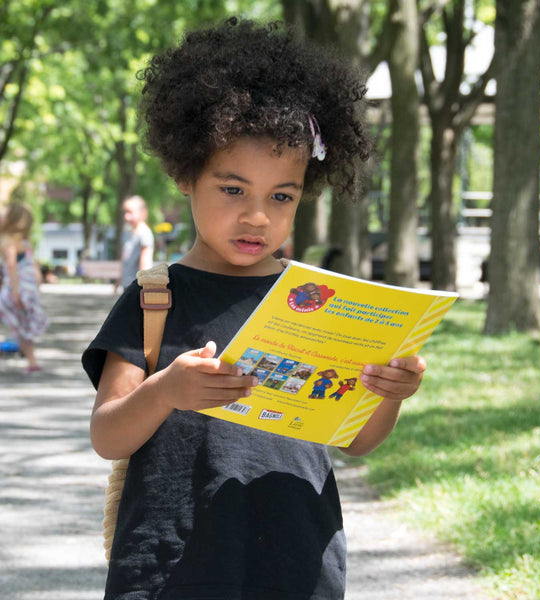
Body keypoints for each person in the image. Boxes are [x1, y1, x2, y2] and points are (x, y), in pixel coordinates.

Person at [82, 18, 427, 600]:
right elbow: (107, 435)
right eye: (233, 189)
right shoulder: (154, 298)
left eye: (281, 196)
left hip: (297, 557)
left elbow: (357, 441)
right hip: (172, 566)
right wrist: (165, 392)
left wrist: (389, 392)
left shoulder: (323, 303)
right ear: (185, 173)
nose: (258, 217)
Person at [0, 203, 48, 373]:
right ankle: (32, 362)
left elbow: (11, 268)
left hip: (16, 289)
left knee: (20, 327)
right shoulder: (24, 242)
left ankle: (31, 360)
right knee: (23, 328)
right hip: (27, 289)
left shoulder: (9, 243)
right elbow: (33, 267)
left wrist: (15, 292)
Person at [116, 195, 154, 291]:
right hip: (127, 283)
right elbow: (124, 259)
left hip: (138, 285)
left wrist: (144, 285)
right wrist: (119, 280)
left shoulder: (144, 233)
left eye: (130, 212)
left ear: (143, 213)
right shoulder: (128, 233)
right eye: (125, 212)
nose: (126, 216)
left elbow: (145, 262)